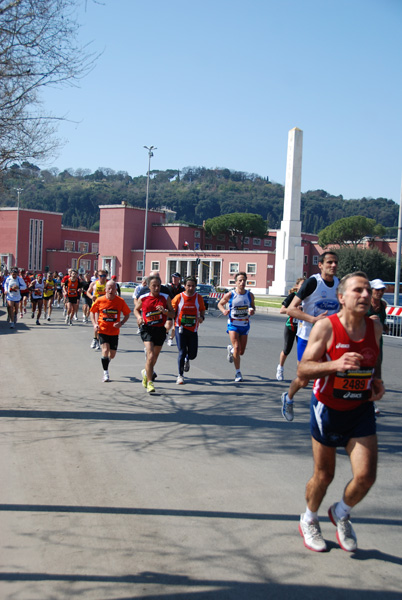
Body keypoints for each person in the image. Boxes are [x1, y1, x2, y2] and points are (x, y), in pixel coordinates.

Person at [297, 271, 384, 553]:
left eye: (368, 290)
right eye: (358, 290)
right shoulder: (327, 327)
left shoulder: (375, 326)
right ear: (341, 297)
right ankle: (309, 518)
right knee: (325, 475)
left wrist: (377, 380)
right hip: (328, 408)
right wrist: (334, 364)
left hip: (360, 408)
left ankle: (341, 512)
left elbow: (375, 357)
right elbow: (303, 369)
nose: (365, 295)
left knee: (366, 476)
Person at [281, 252, 340, 421]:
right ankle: (288, 398)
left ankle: (324, 412)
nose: (333, 265)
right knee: (304, 379)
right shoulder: (313, 282)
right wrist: (313, 319)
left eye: (336, 262)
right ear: (320, 265)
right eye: (329, 262)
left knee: (329, 375)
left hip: (329, 338)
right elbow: (290, 309)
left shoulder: (339, 284)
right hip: (307, 337)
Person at [134, 274, 174, 393]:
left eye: (158, 286)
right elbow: (136, 309)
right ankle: (150, 382)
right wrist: (139, 317)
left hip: (160, 329)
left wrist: (165, 311)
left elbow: (173, 313)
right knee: (150, 355)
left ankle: (146, 373)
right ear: (149, 286)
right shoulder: (144, 297)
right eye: (154, 286)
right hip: (147, 329)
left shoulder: (165, 297)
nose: (156, 288)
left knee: (154, 358)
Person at [90, 280, 131, 382]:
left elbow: (127, 314)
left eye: (113, 288)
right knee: (105, 350)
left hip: (114, 332)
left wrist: (121, 323)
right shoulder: (100, 300)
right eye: (109, 288)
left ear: (116, 290)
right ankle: (105, 373)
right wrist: (95, 324)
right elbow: (92, 312)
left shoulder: (120, 301)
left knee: (112, 354)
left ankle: (106, 361)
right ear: (105, 290)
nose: (111, 290)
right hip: (103, 330)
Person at [217, 272, 255, 382]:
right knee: (237, 348)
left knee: (241, 352)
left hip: (244, 325)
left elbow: (253, 307)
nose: (242, 282)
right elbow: (220, 304)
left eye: (244, 280)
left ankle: (231, 349)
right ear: (236, 282)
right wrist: (224, 310)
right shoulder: (231, 294)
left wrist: (252, 311)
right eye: (240, 280)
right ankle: (238, 373)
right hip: (233, 324)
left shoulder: (249, 295)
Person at [171, 276, 206, 384]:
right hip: (180, 328)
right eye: (188, 286)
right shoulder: (178, 297)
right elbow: (172, 311)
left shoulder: (198, 298)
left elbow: (202, 310)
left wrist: (201, 318)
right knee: (181, 351)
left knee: (192, 354)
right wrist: (169, 318)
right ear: (184, 286)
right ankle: (180, 375)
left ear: (195, 286)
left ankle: (188, 358)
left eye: (193, 286)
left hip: (193, 329)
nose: (190, 288)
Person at [276, 277, 305, 381]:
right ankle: (280, 368)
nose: (304, 287)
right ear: (297, 286)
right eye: (302, 285)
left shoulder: (308, 297)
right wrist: (295, 309)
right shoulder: (293, 296)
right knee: (287, 349)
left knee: (302, 352)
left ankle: (300, 373)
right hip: (291, 326)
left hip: (303, 328)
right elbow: (281, 310)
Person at [367, 279, 388, 416]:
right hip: (364, 343)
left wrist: (384, 327)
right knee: (364, 372)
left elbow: (383, 323)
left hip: (378, 343)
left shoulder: (383, 305)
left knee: (376, 373)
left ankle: (370, 400)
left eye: (382, 290)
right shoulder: (364, 304)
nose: (380, 292)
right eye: (377, 290)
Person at [87, 270, 108, 345]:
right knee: (97, 323)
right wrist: (91, 296)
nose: (102, 277)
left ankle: (100, 339)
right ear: (98, 276)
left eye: (104, 276)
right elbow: (88, 292)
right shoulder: (94, 283)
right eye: (101, 276)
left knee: (104, 325)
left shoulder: (108, 284)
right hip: (96, 306)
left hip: (105, 307)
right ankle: (95, 339)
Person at [166, 272, 185, 346]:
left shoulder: (182, 288)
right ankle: (166, 333)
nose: (174, 279)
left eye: (176, 278)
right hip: (170, 308)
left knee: (176, 325)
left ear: (179, 279)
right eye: (173, 277)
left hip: (179, 309)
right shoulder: (168, 286)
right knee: (168, 324)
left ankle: (171, 338)